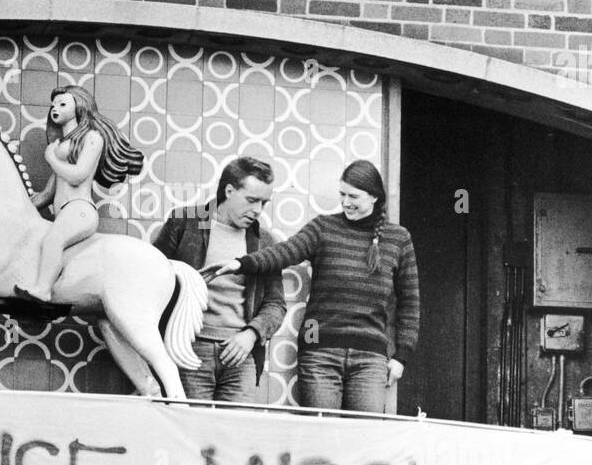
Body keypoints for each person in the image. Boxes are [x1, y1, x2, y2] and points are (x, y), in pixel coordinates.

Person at [206, 160, 419, 412]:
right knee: (320, 437)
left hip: (371, 358)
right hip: (320, 353)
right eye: (342, 194)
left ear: (374, 196)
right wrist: (241, 264)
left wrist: (401, 357)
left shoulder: (399, 238)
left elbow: (410, 302)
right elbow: (283, 253)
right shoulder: (323, 228)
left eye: (354, 196)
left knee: (365, 442)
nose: (346, 202)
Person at [152, 157, 286, 401]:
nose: (258, 210)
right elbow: (151, 280)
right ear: (229, 191)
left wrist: (252, 334)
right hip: (188, 348)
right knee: (189, 434)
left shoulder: (265, 242)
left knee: (234, 435)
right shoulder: (184, 223)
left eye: (263, 203)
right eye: (252, 200)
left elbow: (276, 304)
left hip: (241, 353)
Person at [21, 86, 143, 302]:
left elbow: (78, 175)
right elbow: (48, 194)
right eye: (53, 105)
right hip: (66, 211)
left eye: (62, 104)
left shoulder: (93, 138)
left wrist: (51, 159)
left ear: (79, 106)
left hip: (80, 210)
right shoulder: (61, 145)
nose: (55, 108)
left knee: (52, 240)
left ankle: (42, 290)